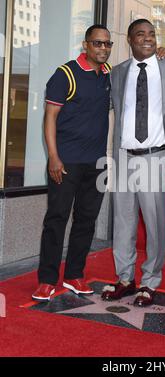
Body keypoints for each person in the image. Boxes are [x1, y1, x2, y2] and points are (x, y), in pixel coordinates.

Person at [101, 19, 165, 306]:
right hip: (124, 155)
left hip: (155, 156)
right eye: (140, 35)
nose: (147, 39)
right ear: (130, 40)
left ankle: (150, 280)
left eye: (151, 35)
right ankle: (125, 278)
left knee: (156, 222)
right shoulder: (118, 73)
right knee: (122, 222)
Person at [32, 24, 113, 301]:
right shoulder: (65, 74)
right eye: (97, 43)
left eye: (107, 44)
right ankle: (46, 280)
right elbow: (50, 118)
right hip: (65, 163)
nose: (103, 48)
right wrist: (53, 157)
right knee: (56, 220)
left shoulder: (108, 74)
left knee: (86, 221)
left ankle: (74, 275)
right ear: (85, 45)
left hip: (97, 163)